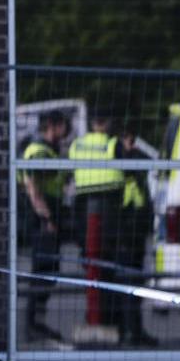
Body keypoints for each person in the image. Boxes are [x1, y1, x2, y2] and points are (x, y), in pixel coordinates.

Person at [69, 111, 124, 338]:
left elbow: (72, 170)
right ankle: (104, 316)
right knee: (106, 264)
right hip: (107, 207)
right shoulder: (112, 144)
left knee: (90, 264)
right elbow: (124, 170)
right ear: (107, 122)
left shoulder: (77, 145)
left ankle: (94, 315)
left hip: (82, 205)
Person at [19, 110, 70, 342]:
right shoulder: (37, 150)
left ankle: (36, 323)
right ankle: (33, 325)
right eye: (63, 125)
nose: (66, 129)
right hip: (41, 218)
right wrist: (46, 218)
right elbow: (33, 187)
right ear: (52, 125)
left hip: (48, 214)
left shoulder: (48, 150)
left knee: (48, 271)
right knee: (42, 271)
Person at [115, 127, 157, 346]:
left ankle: (135, 330)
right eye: (129, 140)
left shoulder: (135, 162)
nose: (133, 145)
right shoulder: (119, 161)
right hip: (124, 234)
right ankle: (128, 332)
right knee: (126, 285)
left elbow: (152, 159)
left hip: (136, 234)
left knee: (135, 283)